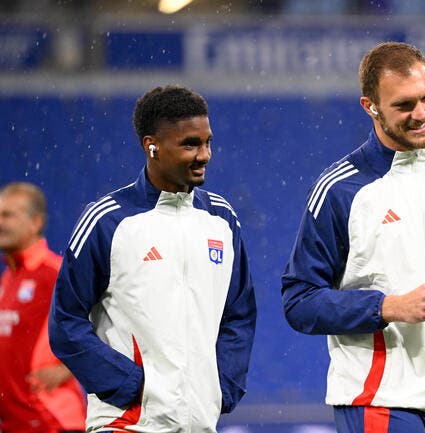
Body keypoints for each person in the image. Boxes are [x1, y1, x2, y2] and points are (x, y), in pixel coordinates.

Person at [281, 41, 425, 433]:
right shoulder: (341, 190)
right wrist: (388, 307)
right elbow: (299, 300)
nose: (420, 114)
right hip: (381, 403)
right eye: (403, 105)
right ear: (370, 107)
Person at [49, 85, 257, 432]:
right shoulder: (106, 221)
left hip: (200, 423)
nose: (204, 154)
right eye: (190, 144)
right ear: (152, 146)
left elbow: (239, 314)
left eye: (207, 142)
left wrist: (222, 388)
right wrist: (133, 386)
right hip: (127, 423)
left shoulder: (222, 219)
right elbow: (65, 324)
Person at [0, 182, 86, 433]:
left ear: (36, 222)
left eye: (8, 215)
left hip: (52, 421)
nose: (1, 223)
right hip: (16, 424)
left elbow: (108, 325)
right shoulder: (8, 280)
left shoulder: (56, 274)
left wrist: (68, 368)